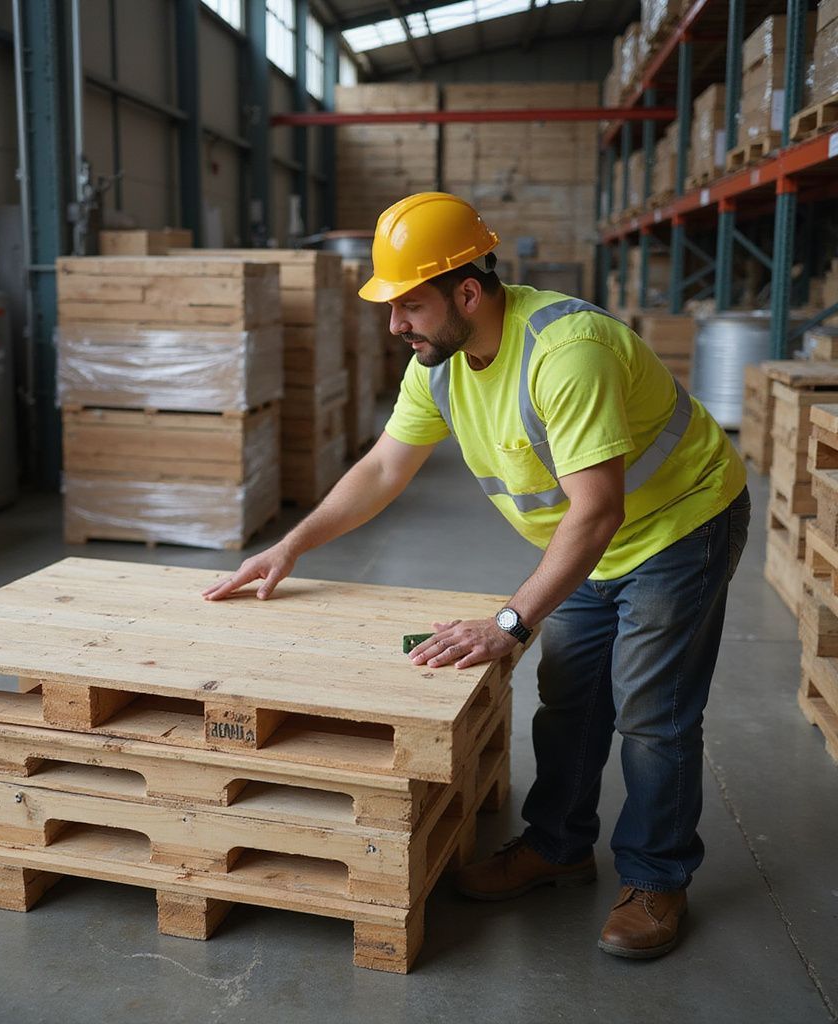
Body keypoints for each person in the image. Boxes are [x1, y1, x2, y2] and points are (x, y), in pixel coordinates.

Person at [202, 192, 750, 960]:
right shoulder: (440, 365)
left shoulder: (566, 353)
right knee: (569, 697)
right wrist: (291, 546)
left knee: (652, 713)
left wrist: (509, 622)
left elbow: (597, 512)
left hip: (679, 525)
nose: (395, 325)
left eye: (410, 305)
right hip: (590, 542)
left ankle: (656, 878)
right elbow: (383, 469)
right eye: (391, 307)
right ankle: (557, 847)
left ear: (467, 292)